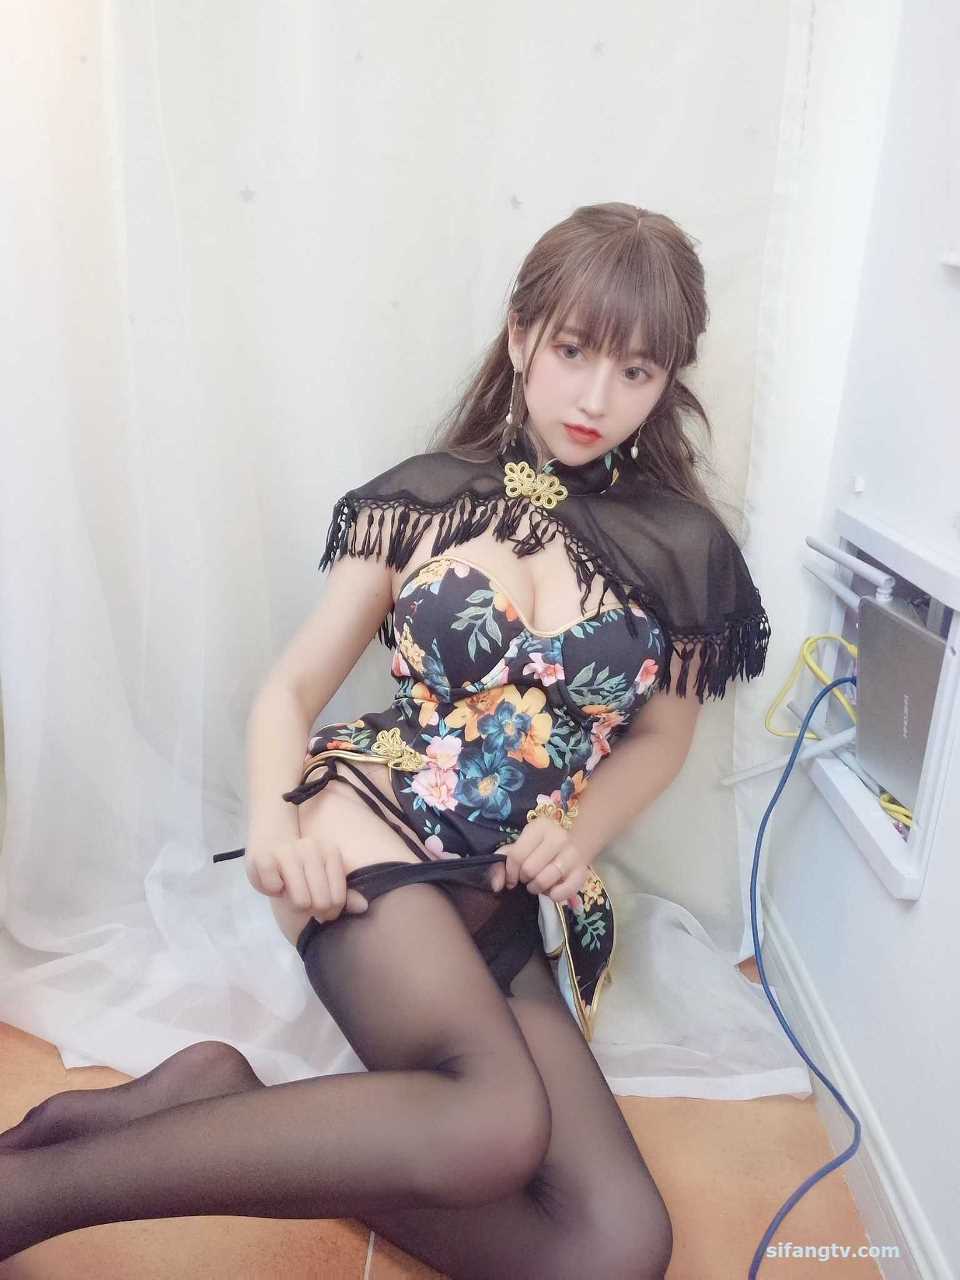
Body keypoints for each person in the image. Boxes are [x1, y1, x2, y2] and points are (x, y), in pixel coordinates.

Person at [0, 202, 770, 1277]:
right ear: (522, 338)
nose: (597, 397)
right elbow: (291, 688)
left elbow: (662, 737)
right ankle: (24, 1199)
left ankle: (222, 1100)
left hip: (498, 886)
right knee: (497, 1121)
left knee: (620, 1245)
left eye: (635, 371)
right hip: (368, 828)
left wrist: (580, 832)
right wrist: (273, 828)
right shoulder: (423, 499)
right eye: (573, 351)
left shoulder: (685, 550)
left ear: (667, 379)